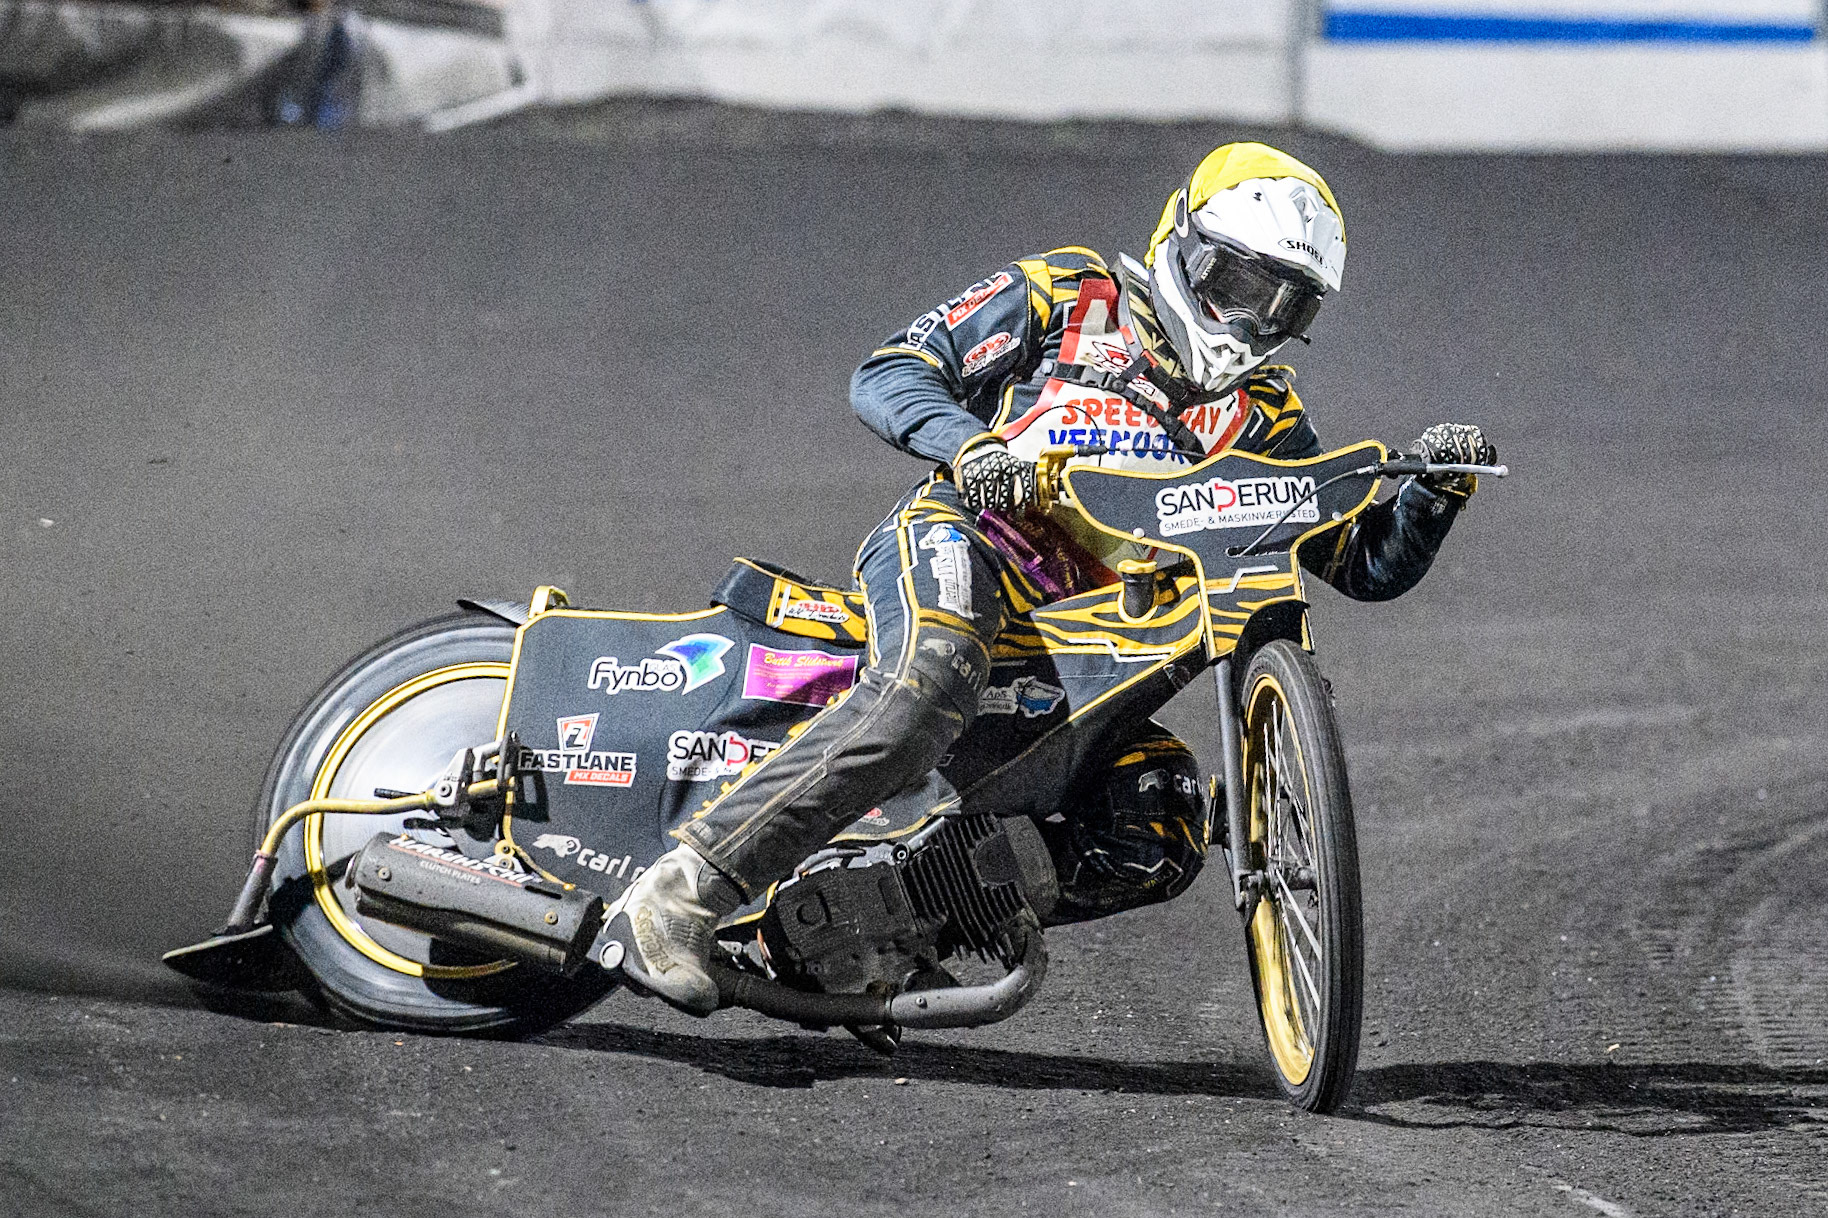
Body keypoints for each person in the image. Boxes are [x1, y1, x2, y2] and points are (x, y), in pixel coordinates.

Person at [606, 142, 1494, 1014]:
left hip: (1085, 646)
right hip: (966, 544)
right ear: (1181, 243)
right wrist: (973, 448)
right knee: (930, 679)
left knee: (1162, 819)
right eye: (1235, 284)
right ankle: (677, 896)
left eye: (1282, 305)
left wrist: (1432, 496)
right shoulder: (1067, 294)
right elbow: (891, 372)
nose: (1247, 323)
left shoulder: (1268, 418)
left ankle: (876, 922)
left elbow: (1359, 562)